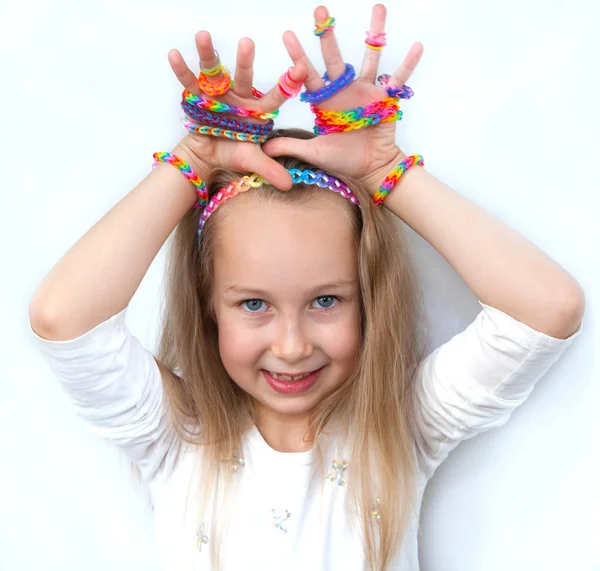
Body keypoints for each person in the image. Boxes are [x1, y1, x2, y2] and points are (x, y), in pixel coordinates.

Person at [28, 5, 585, 571]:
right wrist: (195, 160)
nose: (292, 346)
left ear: (369, 299)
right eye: (253, 304)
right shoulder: (177, 438)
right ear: (208, 306)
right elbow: (63, 318)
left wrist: (384, 170)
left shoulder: (399, 428)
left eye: (326, 301)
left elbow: (547, 308)